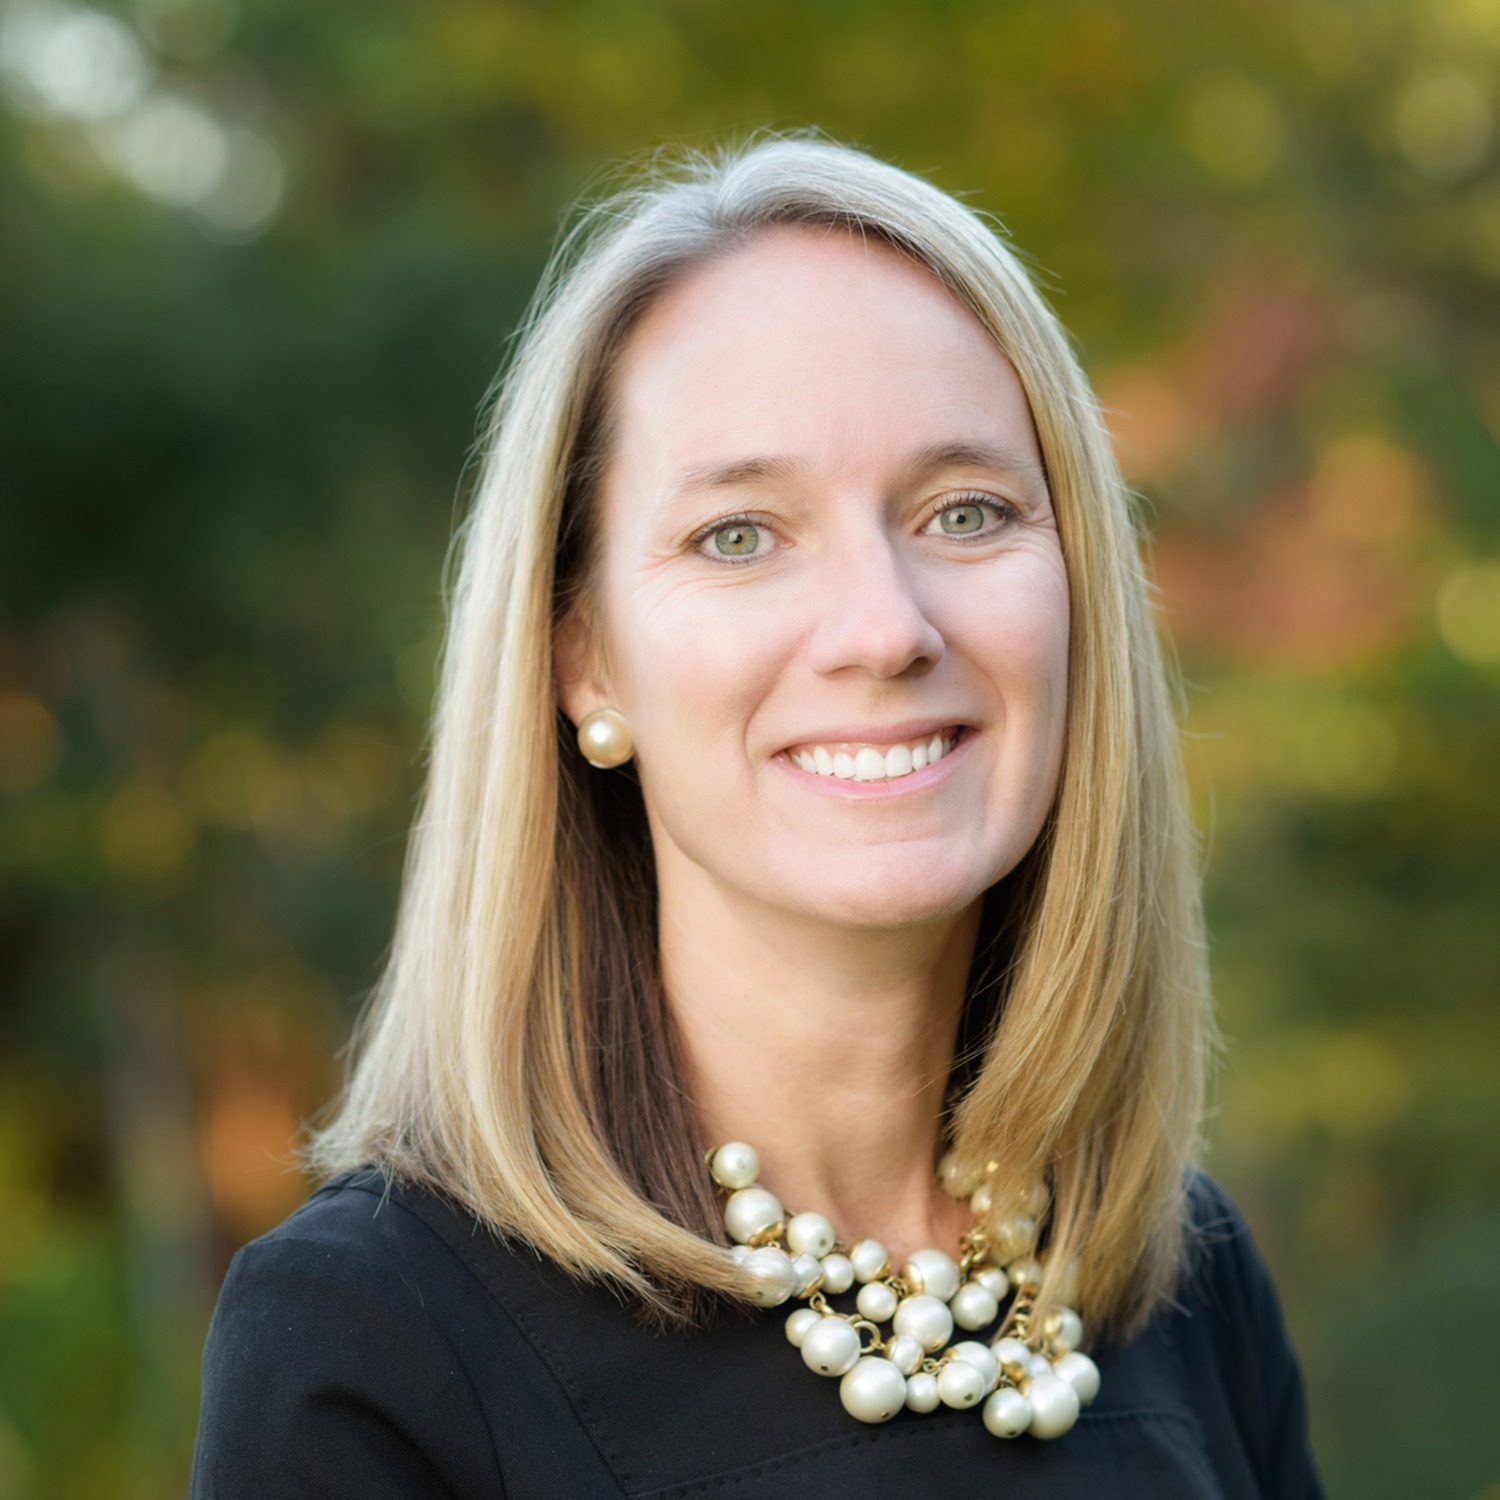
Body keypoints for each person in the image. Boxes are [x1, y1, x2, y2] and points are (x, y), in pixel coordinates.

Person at [191, 135, 1324, 1498]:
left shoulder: (1171, 1276)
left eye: (966, 513)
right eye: (739, 534)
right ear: (583, 661)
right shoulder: (378, 1342)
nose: (883, 629)